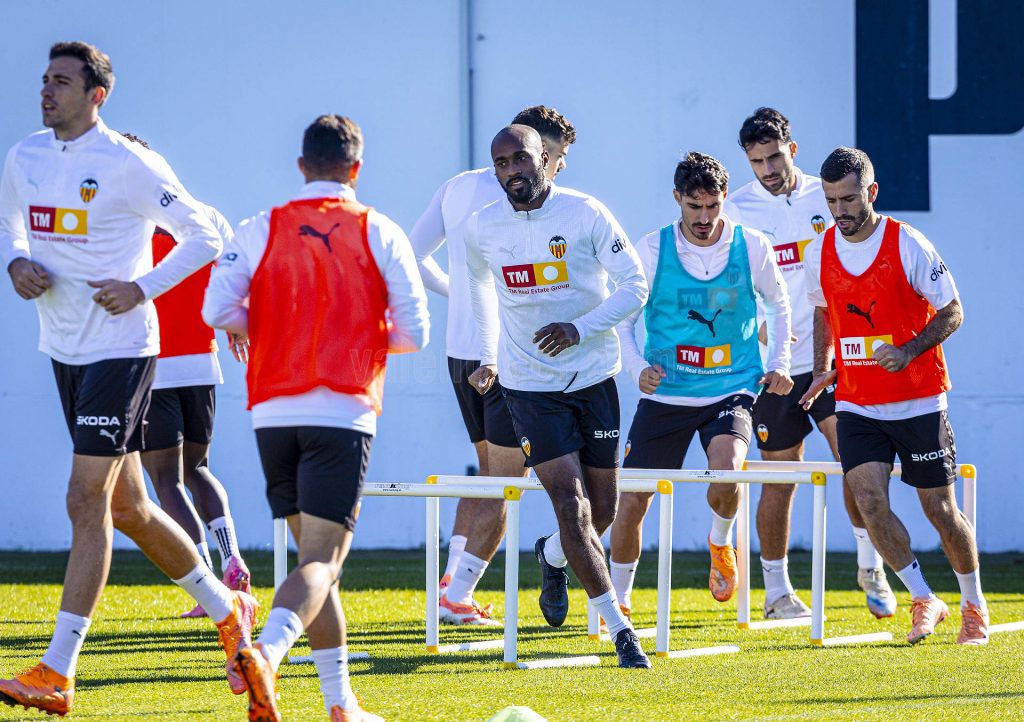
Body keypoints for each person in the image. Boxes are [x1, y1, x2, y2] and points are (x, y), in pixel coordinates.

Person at [0, 41, 255, 716]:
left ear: (97, 96)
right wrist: (16, 262)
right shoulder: (24, 156)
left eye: (62, 82)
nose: (47, 91)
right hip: (64, 348)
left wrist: (141, 288)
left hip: (122, 350)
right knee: (128, 509)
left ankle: (58, 670)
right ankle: (228, 610)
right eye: (44, 80)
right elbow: (10, 222)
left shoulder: (128, 162)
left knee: (85, 501)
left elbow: (204, 232)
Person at [203, 114, 429, 720]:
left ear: (301, 165)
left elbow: (216, 308)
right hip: (343, 409)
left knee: (315, 566)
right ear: (355, 169)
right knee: (323, 564)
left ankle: (340, 703)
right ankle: (266, 656)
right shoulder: (379, 229)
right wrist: (352, 335)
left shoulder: (259, 227)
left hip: (271, 411)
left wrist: (279, 328)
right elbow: (415, 331)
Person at [465, 124, 651, 668]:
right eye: (500, 164)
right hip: (528, 386)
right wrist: (489, 356)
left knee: (602, 512)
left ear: (544, 158)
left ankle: (550, 555)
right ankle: (621, 632)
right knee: (569, 503)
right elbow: (478, 288)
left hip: (594, 377)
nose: (511, 172)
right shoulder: (483, 227)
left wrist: (580, 328)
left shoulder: (585, 212)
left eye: (519, 159)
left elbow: (634, 285)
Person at [801, 146, 987, 645]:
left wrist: (907, 351)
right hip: (857, 402)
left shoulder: (907, 243)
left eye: (849, 199)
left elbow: (953, 311)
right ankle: (924, 597)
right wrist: (823, 369)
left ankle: (973, 602)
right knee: (868, 501)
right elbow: (822, 312)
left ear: (872, 192)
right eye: (831, 200)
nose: (840, 211)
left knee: (940, 510)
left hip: (920, 400)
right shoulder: (819, 250)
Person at [724, 108, 895, 619]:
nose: (768, 168)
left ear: (791, 150)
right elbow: (730, 288)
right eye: (757, 161)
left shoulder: (829, 195)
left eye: (774, 156)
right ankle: (777, 592)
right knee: (781, 476)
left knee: (858, 462)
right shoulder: (736, 210)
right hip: (774, 365)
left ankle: (871, 565)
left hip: (832, 358)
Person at [409, 106, 575, 625]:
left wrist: (458, 291)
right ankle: (457, 595)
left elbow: (413, 254)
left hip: (461, 353)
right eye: (559, 156)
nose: (562, 167)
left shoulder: (457, 185)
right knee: (508, 480)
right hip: (504, 358)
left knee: (490, 472)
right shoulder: (528, 201)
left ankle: (452, 577)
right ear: (537, 150)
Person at [609, 152, 793, 613]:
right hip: (668, 392)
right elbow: (622, 322)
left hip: (732, 386)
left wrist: (781, 362)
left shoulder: (752, 245)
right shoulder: (651, 249)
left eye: (713, 206)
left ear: (724, 198)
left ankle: (720, 543)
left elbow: (779, 305)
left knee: (728, 468)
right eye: (695, 207)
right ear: (677, 200)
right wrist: (636, 370)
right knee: (631, 501)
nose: (705, 218)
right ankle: (618, 600)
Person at [121, 133, 253, 618]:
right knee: (198, 468)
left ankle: (208, 584)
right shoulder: (204, 214)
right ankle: (232, 556)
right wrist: (235, 322)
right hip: (204, 362)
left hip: (153, 365)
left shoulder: (126, 222)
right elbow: (233, 280)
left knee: (165, 480)